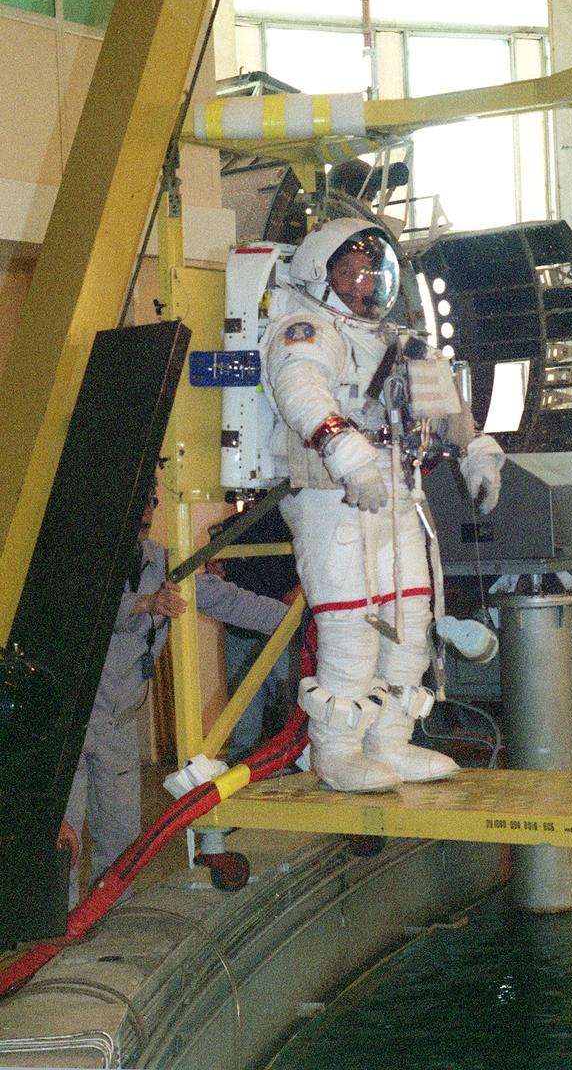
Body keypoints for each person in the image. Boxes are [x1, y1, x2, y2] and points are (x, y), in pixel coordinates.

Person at [260, 212, 504, 793]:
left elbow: (446, 410)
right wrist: (347, 455)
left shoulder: (399, 344)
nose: (363, 284)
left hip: (397, 492)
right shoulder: (304, 329)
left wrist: (476, 454)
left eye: (372, 273)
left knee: (410, 622)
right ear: (322, 273)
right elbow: (302, 391)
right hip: (332, 496)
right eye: (350, 272)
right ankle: (336, 750)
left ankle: (389, 741)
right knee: (350, 630)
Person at [64, 488, 290, 906]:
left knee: (122, 844)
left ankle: (113, 922)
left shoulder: (164, 565)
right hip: (70, 725)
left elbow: (229, 601)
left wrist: (304, 618)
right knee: (64, 843)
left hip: (119, 722)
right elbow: (80, 606)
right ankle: (55, 936)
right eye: (136, 501)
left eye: (151, 501)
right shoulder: (80, 558)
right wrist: (144, 604)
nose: (146, 511)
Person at [207, 506, 299, 764]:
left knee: (289, 704)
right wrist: (214, 570)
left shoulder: (292, 520)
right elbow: (215, 570)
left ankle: (292, 763)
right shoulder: (231, 528)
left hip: (282, 629)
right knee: (244, 711)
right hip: (243, 634)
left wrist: (302, 589)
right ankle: (243, 767)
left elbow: (319, 561)